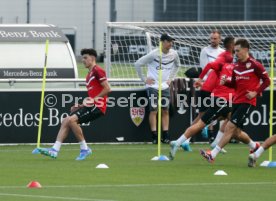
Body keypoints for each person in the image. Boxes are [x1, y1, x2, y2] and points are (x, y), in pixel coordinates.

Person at [200, 38, 270, 163]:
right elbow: (234, 84)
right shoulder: (237, 66)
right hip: (236, 100)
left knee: (229, 126)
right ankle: (255, 146)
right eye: (235, 51)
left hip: (247, 102)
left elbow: (267, 81)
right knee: (237, 133)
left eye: (238, 51)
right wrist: (225, 82)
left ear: (246, 49)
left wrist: (255, 92)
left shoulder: (255, 65)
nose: (236, 53)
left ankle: (213, 154)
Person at [38, 48, 111, 160]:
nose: (83, 60)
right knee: (67, 120)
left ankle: (85, 149)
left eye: (85, 57)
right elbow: (94, 94)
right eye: (82, 58)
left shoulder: (97, 70)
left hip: (98, 107)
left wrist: (93, 100)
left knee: (72, 120)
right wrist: (82, 105)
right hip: (92, 105)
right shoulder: (89, 75)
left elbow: (107, 88)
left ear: (93, 58)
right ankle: (55, 150)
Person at [182, 30, 224, 150]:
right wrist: (202, 82)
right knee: (202, 115)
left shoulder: (223, 53)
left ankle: (215, 140)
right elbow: (204, 69)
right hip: (207, 86)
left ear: (220, 39)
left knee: (223, 113)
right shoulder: (205, 51)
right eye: (211, 38)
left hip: (218, 88)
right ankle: (186, 139)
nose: (212, 40)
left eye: (215, 38)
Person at [135, 33, 180, 144]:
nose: (171, 43)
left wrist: (171, 78)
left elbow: (177, 65)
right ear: (162, 42)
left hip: (165, 87)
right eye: (169, 41)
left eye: (172, 41)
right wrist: (144, 80)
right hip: (153, 87)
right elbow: (137, 64)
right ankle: (154, 136)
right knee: (154, 110)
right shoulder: (153, 54)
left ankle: (166, 135)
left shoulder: (174, 54)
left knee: (165, 110)